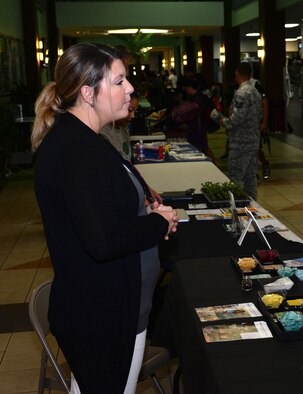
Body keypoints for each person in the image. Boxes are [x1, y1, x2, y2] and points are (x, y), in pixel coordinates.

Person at [32, 43, 179, 394]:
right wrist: (158, 223)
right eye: (119, 81)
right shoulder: (77, 150)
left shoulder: (84, 139)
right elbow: (104, 240)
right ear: (88, 92)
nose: (129, 89)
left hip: (110, 310)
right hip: (103, 316)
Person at [100, 92, 163, 204]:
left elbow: (128, 165)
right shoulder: (103, 134)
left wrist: (146, 189)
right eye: (130, 110)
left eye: (134, 111)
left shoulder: (123, 128)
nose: (133, 116)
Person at [214, 62, 262, 199]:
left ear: (237, 74)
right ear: (250, 75)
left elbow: (235, 120)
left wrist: (221, 119)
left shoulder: (241, 93)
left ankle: (238, 211)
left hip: (240, 144)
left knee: (236, 179)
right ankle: (253, 209)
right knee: (250, 179)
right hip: (253, 142)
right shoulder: (256, 92)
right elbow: (259, 115)